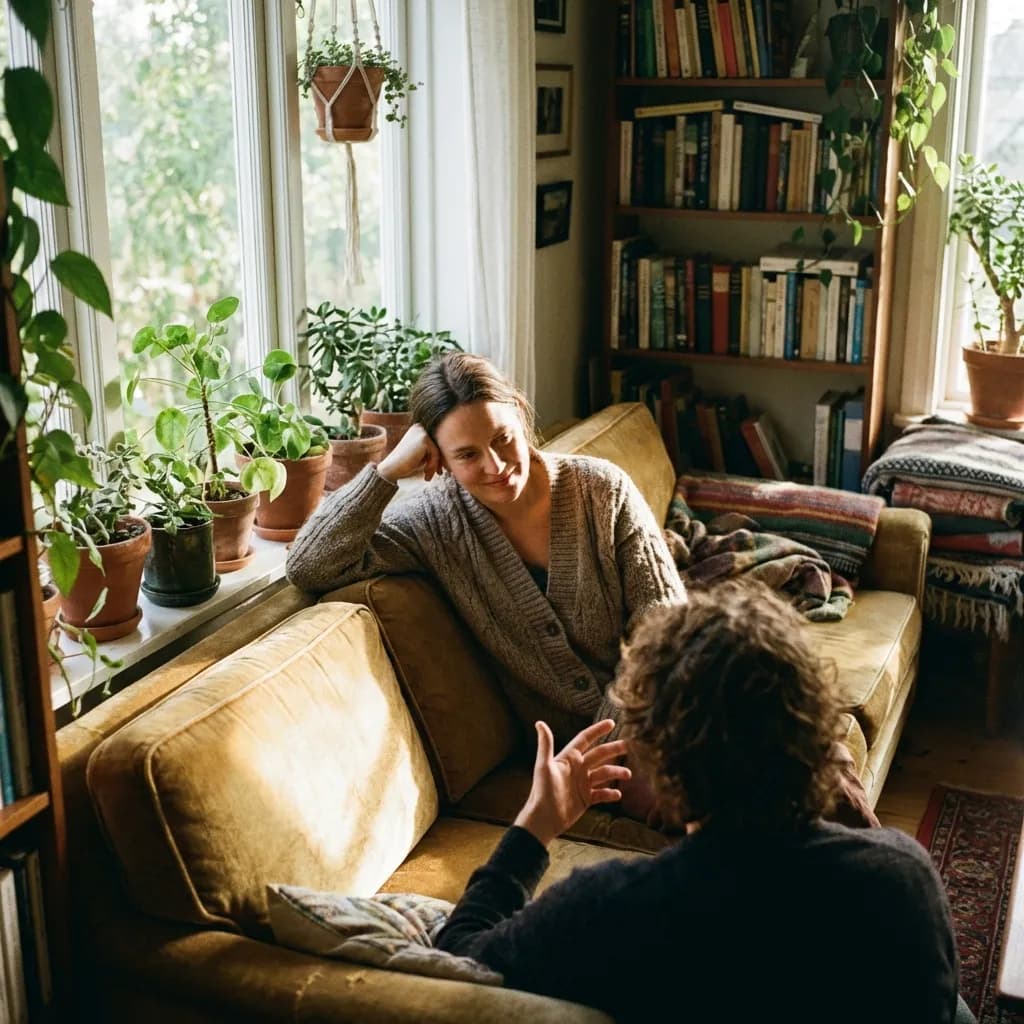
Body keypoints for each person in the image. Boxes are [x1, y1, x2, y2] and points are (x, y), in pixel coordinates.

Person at [434, 580, 969, 1024]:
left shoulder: (611, 907)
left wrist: (533, 827)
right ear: (814, 733)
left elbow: (461, 959)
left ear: (661, 764)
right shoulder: (905, 875)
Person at [286, 352, 686, 791]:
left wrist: (608, 738)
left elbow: (666, 627)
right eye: (467, 454)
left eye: (502, 439)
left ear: (520, 414)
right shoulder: (433, 524)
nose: (495, 466)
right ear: (439, 459)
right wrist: (386, 472)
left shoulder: (601, 489)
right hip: (572, 763)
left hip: (657, 710)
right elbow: (309, 565)